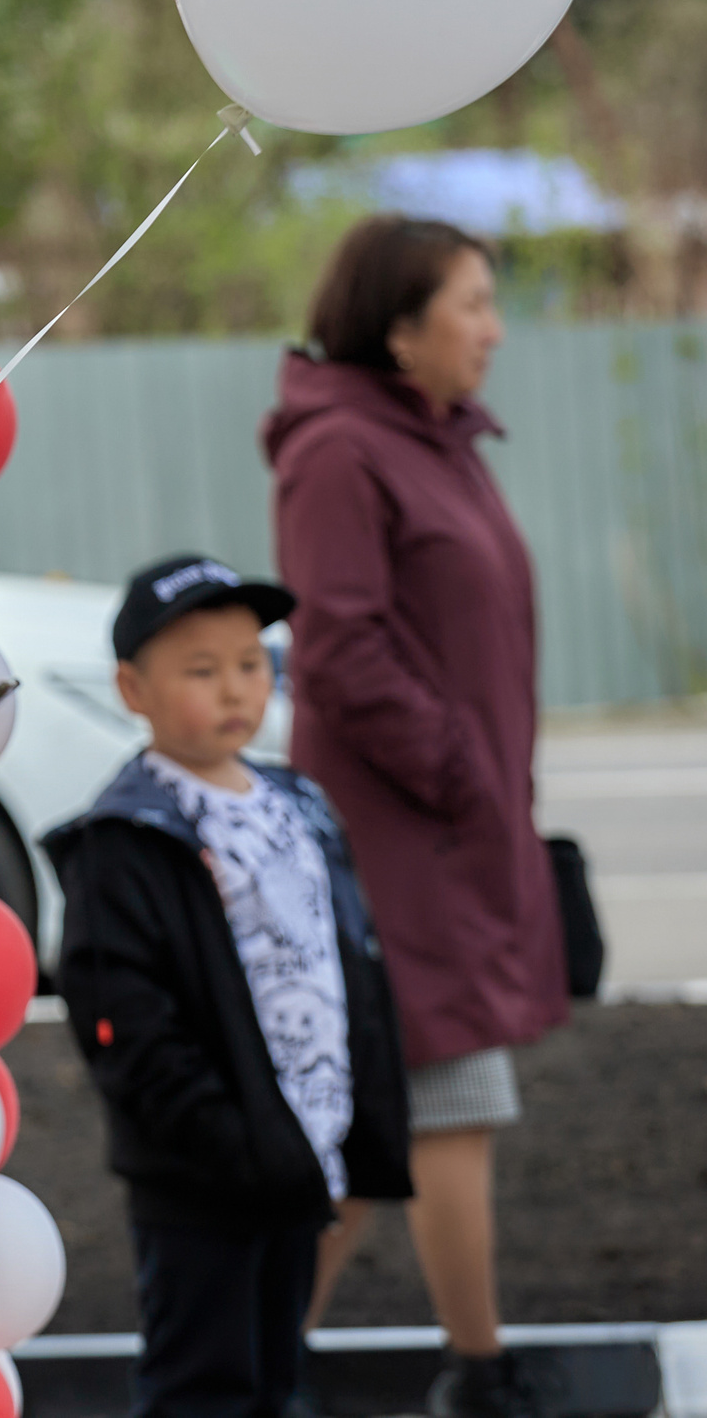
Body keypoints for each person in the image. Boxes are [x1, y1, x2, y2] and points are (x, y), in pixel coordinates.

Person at [263, 217, 559, 1418]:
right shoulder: (341, 450)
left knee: (383, 1135)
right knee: (443, 1103)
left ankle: (254, 1366)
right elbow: (339, 646)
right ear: (396, 327)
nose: (492, 328)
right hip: (400, 841)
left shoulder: (438, 444)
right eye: (471, 304)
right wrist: (459, 771)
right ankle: (476, 1371)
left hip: (449, 828)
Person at [46, 555, 412, 1418]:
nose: (235, 689)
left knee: (280, 1369)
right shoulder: (127, 835)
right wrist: (218, 1132)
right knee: (202, 1382)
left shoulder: (297, 801)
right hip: (201, 1173)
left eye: (251, 664)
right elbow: (124, 1020)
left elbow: (342, 955)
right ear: (133, 689)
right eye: (201, 671)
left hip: (302, 1149)